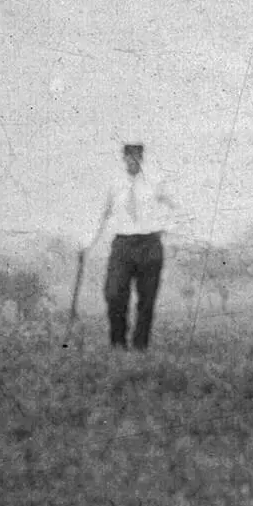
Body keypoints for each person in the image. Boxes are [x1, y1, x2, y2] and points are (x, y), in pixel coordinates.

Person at [83, 142, 179, 350]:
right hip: (123, 245)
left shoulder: (156, 181)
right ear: (124, 158)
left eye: (137, 156)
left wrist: (166, 228)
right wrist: (87, 244)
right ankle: (118, 343)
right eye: (129, 157)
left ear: (142, 158)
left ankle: (140, 346)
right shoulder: (114, 183)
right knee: (114, 293)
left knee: (147, 298)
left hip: (149, 244)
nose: (133, 161)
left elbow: (174, 206)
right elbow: (102, 214)